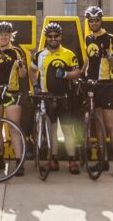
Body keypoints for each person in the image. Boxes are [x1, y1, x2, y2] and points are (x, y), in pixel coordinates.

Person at [30, 22, 82, 174]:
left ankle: (72, 160)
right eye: (50, 36)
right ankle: (54, 159)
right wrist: (35, 85)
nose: (53, 38)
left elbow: (77, 72)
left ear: (60, 37)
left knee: (67, 130)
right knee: (51, 130)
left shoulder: (68, 54)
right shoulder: (39, 55)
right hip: (47, 97)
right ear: (46, 38)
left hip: (63, 97)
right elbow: (32, 70)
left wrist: (65, 74)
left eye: (56, 36)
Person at [83, 6, 113, 178]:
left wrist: (107, 55)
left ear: (101, 21)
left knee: (110, 125)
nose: (94, 23)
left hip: (106, 85)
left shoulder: (110, 38)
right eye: (91, 21)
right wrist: (78, 73)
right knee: (97, 126)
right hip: (93, 85)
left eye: (96, 20)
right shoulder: (88, 38)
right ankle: (104, 161)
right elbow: (88, 62)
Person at [0, 21, 28, 177]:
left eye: (6, 35)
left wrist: (21, 66)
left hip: (12, 93)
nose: (4, 37)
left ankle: (19, 162)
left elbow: (23, 75)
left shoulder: (17, 52)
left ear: (11, 36)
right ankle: (0, 160)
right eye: (1, 35)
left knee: (14, 128)